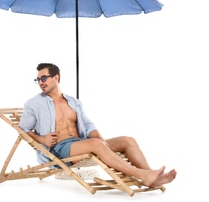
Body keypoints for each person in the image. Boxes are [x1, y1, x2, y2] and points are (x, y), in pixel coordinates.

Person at [19, 63, 177, 187]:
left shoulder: (74, 102)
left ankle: (152, 176)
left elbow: (88, 125)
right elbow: (23, 130)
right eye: (38, 79)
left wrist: (102, 140)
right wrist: (43, 139)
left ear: (56, 77)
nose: (40, 82)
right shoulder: (34, 104)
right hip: (61, 149)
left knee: (128, 140)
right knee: (95, 144)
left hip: (82, 143)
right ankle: (141, 174)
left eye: (43, 78)